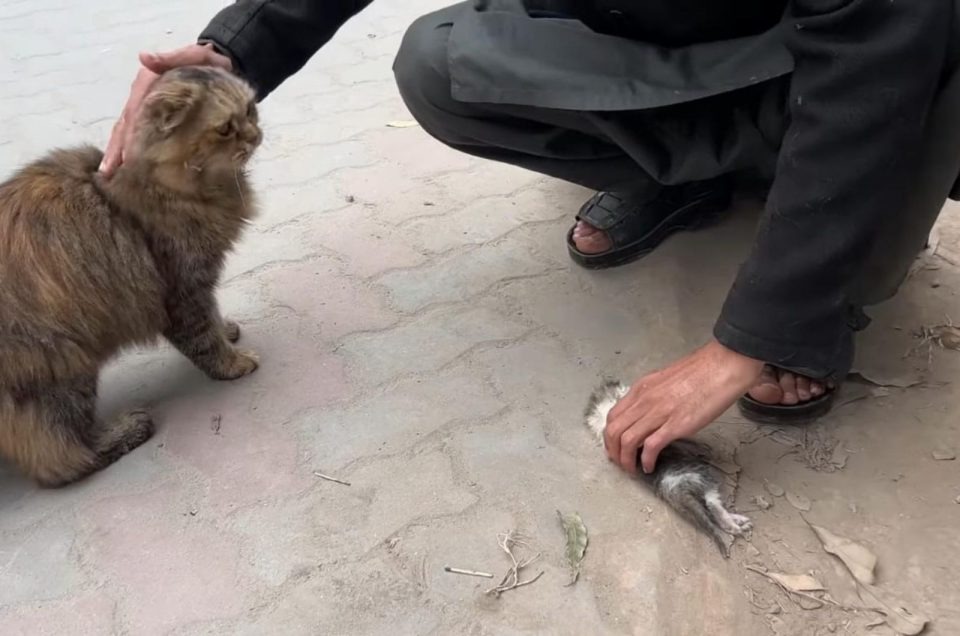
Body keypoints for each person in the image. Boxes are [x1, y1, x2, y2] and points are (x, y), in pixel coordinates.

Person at [100, 1, 956, 475]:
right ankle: (685, 176)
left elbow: (873, 70)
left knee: (934, 70)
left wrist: (750, 338)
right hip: (675, 37)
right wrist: (230, 50)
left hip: (849, 54)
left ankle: (822, 290)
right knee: (443, 63)